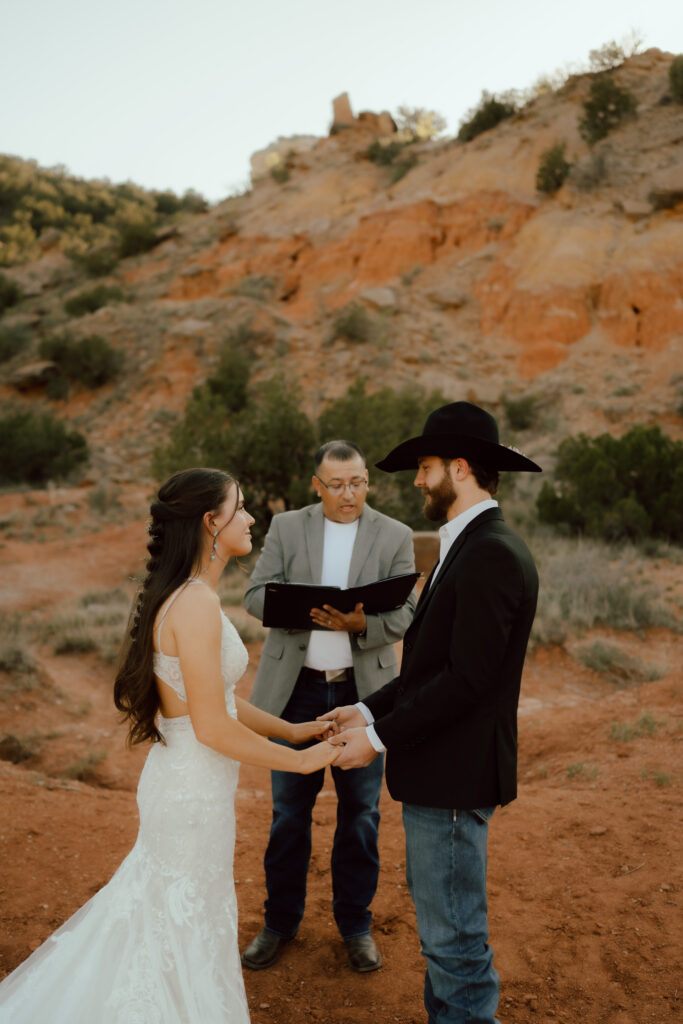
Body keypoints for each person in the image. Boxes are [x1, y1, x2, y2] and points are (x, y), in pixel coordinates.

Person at [0, 467, 338, 1024]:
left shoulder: (187, 596)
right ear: (212, 522)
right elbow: (212, 727)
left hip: (185, 786)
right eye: (242, 507)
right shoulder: (197, 605)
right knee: (182, 921)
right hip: (190, 798)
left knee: (171, 917)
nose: (252, 518)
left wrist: (295, 730)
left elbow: (218, 702)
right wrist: (301, 762)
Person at [321, 403, 541, 1024]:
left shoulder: (491, 553)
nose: (417, 480)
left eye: (425, 466)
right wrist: (363, 710)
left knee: (455, 946)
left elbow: (468, 681)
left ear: (461, 468)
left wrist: (379, 738)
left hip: (453, 778)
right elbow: (429, 668)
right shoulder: (465, 547)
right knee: (443, 942)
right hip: (443, 776)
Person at [240, 440, 417, 974]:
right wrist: (303, 609)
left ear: (368, 481)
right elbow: (253, 596)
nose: (349, 493)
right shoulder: (287, 527)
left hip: (365, 695)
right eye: (337, 484)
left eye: (358, 482)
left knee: (361, 816)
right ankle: (280, 923)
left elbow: (408, 611)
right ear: (316, 486)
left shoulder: (396, 534)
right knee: (288, 816)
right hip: (295, 694)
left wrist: (361, 625)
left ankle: (356, 926)